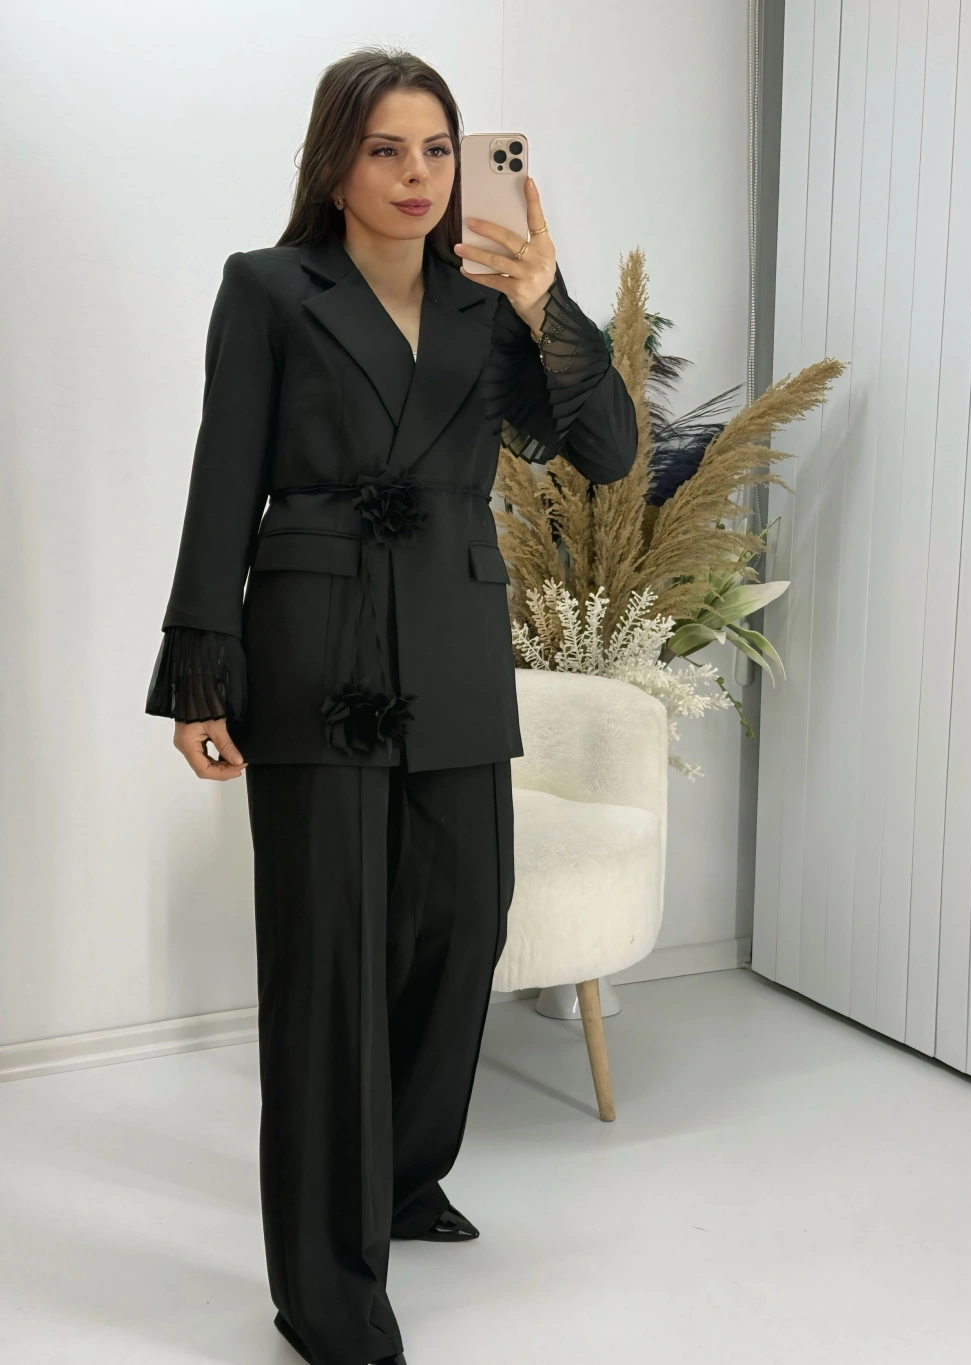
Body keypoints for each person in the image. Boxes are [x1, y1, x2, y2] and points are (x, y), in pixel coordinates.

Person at [145, 45, 638, 1365]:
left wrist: (549, 300)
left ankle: (402, 1176)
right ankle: (327, 1293)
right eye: (385, 150)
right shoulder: (270, 288)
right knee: (329, 966)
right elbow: (221, 479)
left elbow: (606, 455)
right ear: (335, 163)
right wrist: (200, 671)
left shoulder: (493, 305)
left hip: (455, 640)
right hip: (315, 642)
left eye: (436, 151)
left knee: (463, 924)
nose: (417, 176)